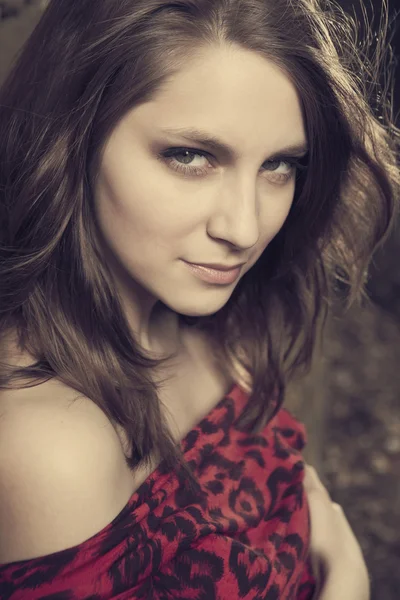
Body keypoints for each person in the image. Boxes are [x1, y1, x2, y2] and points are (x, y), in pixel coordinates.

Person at [0, 0, 398, 598]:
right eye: (190, 156)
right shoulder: (51, 451)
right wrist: (347, 585)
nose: (244, 228)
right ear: (72, 141)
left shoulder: (209, 324)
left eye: (280, 166)